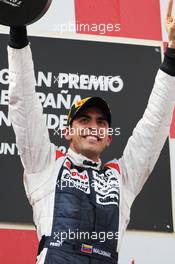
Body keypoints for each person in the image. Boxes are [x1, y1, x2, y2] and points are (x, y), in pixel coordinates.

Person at [7, 1, 175, 263]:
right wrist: (18, 24)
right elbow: (23, 104)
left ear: (109, 138)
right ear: (67, 131)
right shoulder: (45, 165)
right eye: (84, 119)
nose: (93, 127)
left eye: (101, 123)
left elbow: (153, 126)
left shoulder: (122, 179)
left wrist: (173, 55)